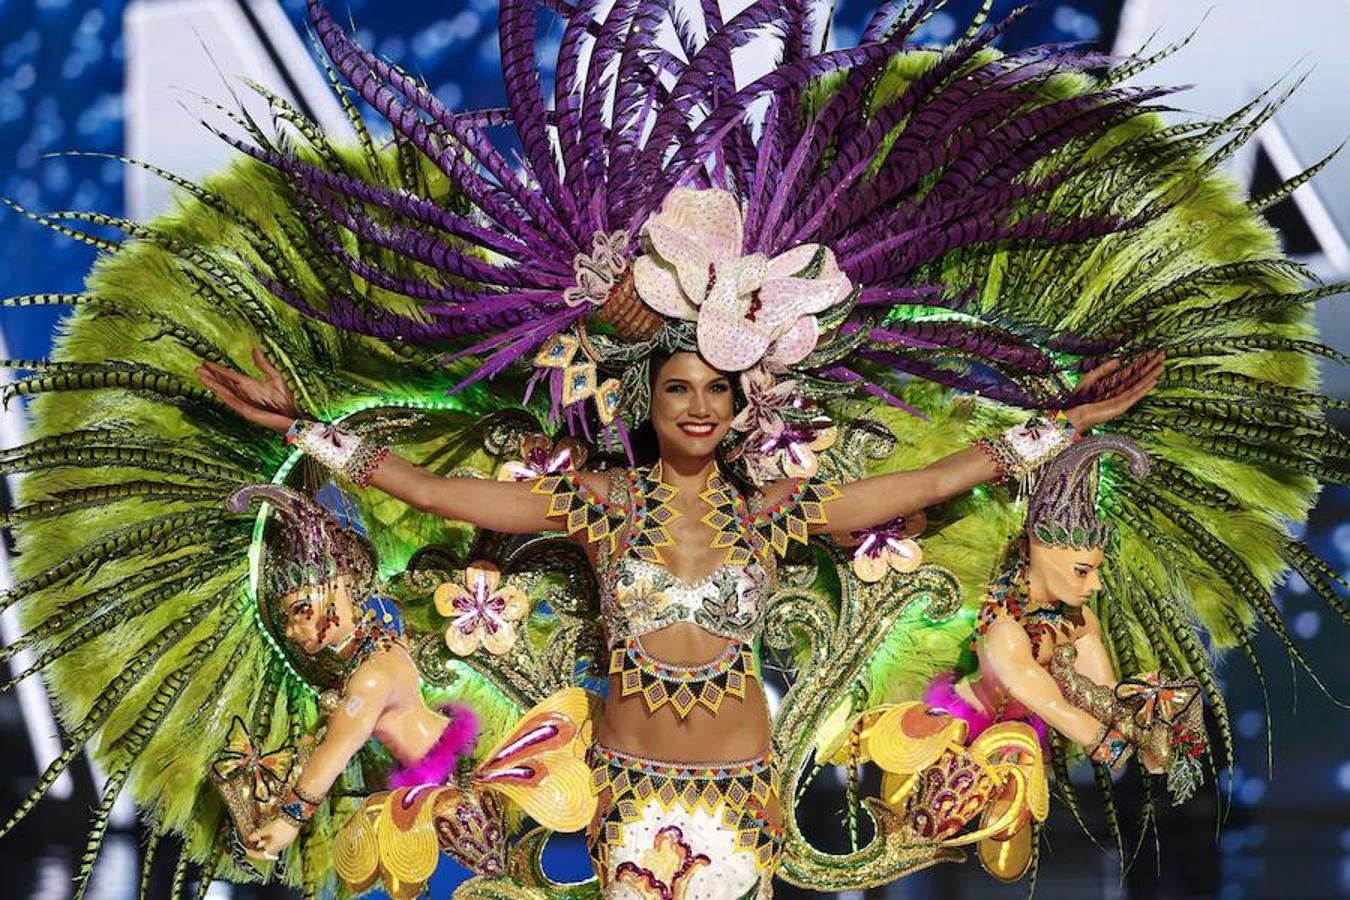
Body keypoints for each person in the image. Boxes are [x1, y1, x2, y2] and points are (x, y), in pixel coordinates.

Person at [196, 342, 1161, 895]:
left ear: (742, 407)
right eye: (677, 389)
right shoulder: (598, 506)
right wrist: (299, 430)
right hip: (630, 803)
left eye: (715, 390)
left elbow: (945, 475)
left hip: (745, 801)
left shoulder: (776, 511)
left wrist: (1066, 426)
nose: (698, 407)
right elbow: (436, 493)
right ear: (645, 403)